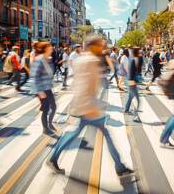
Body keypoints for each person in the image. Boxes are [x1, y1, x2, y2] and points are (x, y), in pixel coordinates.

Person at [46, 36, 136, 181]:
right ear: (93, 46)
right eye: (100, 45)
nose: (102, 48)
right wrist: (92, 106)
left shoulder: (83, 59)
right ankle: (121, 168)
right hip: (89, 107)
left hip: (86, 105)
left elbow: (82, 83)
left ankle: (53, 158)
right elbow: (86, 85)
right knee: (106, 134)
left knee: (75, 132)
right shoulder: (91, 61)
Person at [31, 42, 57, 136]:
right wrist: (40, 91)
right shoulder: (39, 59)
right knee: (46, 109)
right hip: (42, 89)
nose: (51, 47)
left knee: (53, 107)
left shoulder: (48, 59)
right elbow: (34, 76)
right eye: (49, 46)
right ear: (44, 48)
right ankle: (45, 128)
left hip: (48, 87)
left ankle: (50, 124)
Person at [123, 47, 141, 122]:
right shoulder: (133, 59)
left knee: (130, 96)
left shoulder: (135, 59)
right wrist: (131, 81)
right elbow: (130, 70)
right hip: (131, 81)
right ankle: (135, 116)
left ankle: (126, 109)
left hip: (132, 81)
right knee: (138, 100)